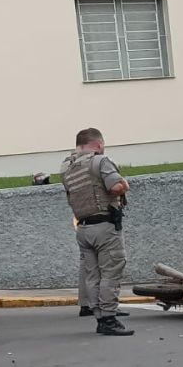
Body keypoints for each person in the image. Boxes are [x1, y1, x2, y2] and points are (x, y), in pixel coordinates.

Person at [61, 128, 132, 335]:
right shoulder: (100, 161)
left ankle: (100, 317)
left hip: (83, 227)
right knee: (110, 271)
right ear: (99, 144)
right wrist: (125, 184)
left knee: (92, 275)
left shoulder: (67, 167)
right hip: (105, 226)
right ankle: (109, 319)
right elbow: (116, 187)